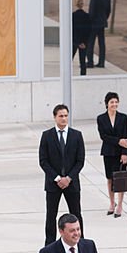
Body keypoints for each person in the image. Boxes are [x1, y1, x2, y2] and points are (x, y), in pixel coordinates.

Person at [39, 104, 84, 245]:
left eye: (66, 116)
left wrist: (69, 178)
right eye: (61, 116)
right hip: (53, 184)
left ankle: (80, 242)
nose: (64, 119)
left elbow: (80, 161)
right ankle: (50, 245)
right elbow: (43, 161)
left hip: (72, 183)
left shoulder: (77, 135)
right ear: (55, 117)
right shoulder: (47, 136)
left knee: (76, 214)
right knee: (51, 215)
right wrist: (58, 178)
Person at [97, 91, 127, 217]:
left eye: (116, 102)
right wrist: (118, 141)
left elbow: (125, 136)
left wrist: (125, 152)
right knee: (110, 179)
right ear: (107, 104)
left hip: (120, 153)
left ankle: (120, 205)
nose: (114, 104)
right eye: (112, 102)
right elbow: (103, 136)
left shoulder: (123, 117)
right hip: (108, 152)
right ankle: (112, 203)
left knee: (120, 180)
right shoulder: (101, 118)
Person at [87, 0, 111, 68]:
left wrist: (89, 20)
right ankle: (101, 62)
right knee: (101, 43)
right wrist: (104, 18)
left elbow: (92, 10)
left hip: (94, 23)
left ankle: (90, 62)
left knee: (91, 42)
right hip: (102, 22)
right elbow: (108, 10)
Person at [72, 0, 91, 76]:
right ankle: (83, 76)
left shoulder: (72, 16)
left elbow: (72, 30)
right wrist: (84, 42)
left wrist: (76, 41)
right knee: (82, 60)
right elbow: (88, 30)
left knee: (69, 58)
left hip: (75, 41)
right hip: (84, 41)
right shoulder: (87, 16)